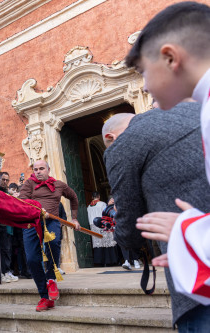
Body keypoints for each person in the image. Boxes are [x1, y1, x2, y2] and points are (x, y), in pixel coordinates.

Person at [102, 103, 210, 329]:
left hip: (198, 267)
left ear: (111, 137)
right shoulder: (198, 108)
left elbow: (131, 223)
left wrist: (129, 239)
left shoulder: (123, 144)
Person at [18, 160, 80, 311]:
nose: (38, 171)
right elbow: (22, 201)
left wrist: (74, 218)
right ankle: (44, 296)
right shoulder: (29, 184)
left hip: (52, 221)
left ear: (48, 170)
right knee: (32, 259)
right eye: (35, 169)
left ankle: (51, 278)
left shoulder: (59, 185)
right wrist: (38, 209)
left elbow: (73, 197)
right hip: (32, 222)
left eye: (41, 168)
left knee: (53, 244)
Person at [87, 192, 118, 267]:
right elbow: (106, 214)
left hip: (93, 226)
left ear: (92, 197)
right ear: (99, 196)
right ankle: (109, 261)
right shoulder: (102, 204)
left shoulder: (88, 207)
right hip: (102, 224)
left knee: (98, 244)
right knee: (107, 242)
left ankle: (99, 261)